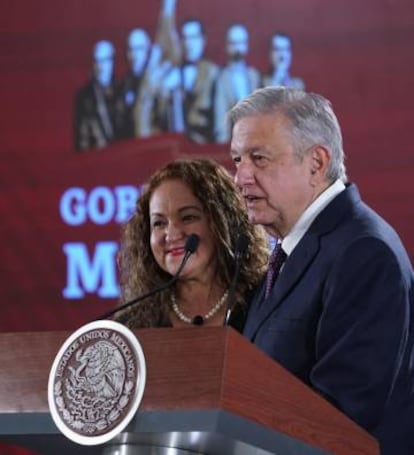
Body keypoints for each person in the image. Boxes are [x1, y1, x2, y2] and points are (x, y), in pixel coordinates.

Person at [228, 86, 414, 454]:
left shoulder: (363, 252)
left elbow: (341, 418)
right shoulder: (289, 251)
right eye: (237, 160)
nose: (241, 177)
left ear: (316, 163)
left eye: (259, 158)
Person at [115, 158, 268, 330]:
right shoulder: (131, 326)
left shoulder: (265, 304)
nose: (172, 235)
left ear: (223, 223)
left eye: (188, 217)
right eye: (159, 223)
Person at [157, 18, 219, 143]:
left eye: (193, 38)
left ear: (203, 40)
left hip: (206, 145)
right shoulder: (173, 73)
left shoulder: (213, 72)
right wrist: (165, 91)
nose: (188, 43)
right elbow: (160, 117)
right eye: (185, 38)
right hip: (176, 147)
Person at [214, 24, 261, 143]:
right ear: (226, 46)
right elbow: (220, 120)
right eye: (233, 43)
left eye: (241, 43)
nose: (237, 48)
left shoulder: (254, 76)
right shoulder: (221, 78)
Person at [74, 40, 121, 151]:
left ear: (112, 61)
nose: (101, 66)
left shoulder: (122, 90)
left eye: (105, 61)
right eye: (97, 61)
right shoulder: (84, 97)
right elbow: (81, 139)